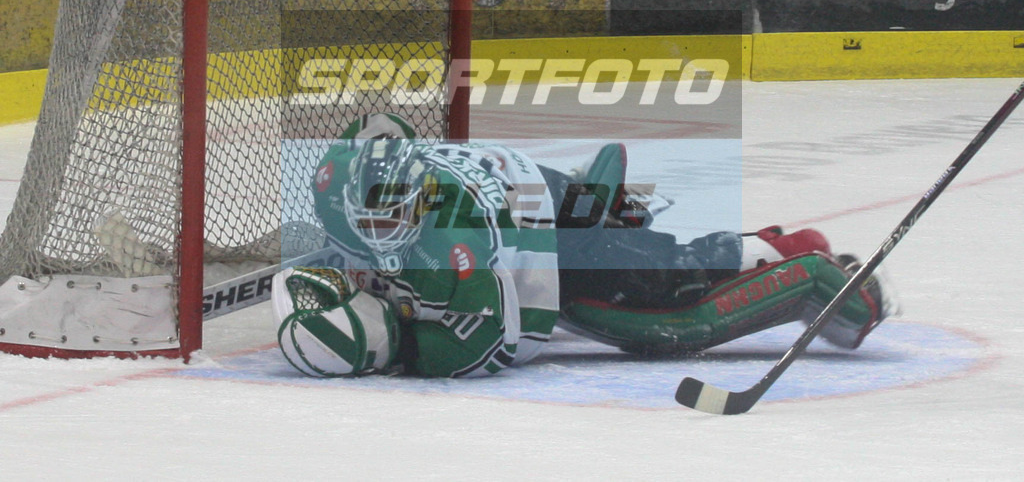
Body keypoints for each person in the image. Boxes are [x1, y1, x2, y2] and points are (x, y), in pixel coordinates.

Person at [272, 114, 893, 378]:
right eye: (370, 223)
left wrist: (400, 343)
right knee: (609, 224)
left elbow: (501, 341)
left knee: (666, 301)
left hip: (543, 228)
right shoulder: (336, 180)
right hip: (528, 181)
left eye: (399, 216)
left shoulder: (459, 236)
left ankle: (791, 256)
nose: (386, 233)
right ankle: (601, 199)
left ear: (422, 193)